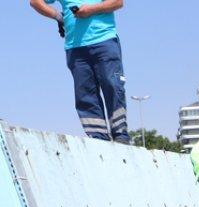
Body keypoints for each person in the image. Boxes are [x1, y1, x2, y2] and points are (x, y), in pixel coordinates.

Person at [29, 0, 130, 144]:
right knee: (85, 95)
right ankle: (98, 138)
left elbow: (117, 3)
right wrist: (58, 16)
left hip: (104, 41)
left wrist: (91, 10)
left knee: (112, 85)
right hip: (75, 48)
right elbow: (35, 2)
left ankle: (120, 135)